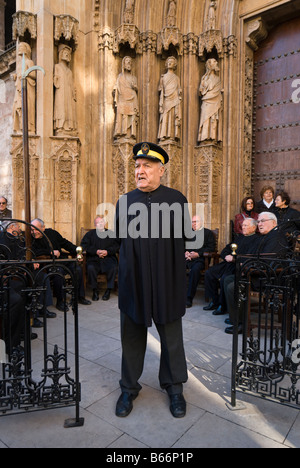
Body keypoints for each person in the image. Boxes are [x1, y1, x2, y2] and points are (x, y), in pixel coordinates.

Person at [115, 142, 191, 419]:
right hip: (133, 281)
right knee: (131, 337)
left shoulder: (176, 199)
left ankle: (174, 388)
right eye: (137, 166)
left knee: (171, 337)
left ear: (161, 170)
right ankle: (128, 388)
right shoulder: (124, 202)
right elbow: (118, 240)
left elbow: (184, 238)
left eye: (147, 166)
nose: (140, 171)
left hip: (166, 280)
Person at [224, 211, 289, 334]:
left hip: (270, 280)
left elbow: (267, 262)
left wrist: (247, 268)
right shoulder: (269, 235)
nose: (259, 224)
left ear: (273, 222)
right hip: (262, 274)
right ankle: (235, 318)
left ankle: (241, 324)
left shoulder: (276, 238)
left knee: (233, 287)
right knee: (228, 279)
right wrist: (246, 266)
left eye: (263, 221)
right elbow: (259, 257)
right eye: (258, 221)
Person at [31, 219, 91, 311]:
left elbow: (65, 243)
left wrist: (78, 251)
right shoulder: (30, 239)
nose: (34, 232)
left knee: (77, 269)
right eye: (32, 230)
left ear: (43, 228)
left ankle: (80, 296)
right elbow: (32, 252)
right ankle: (60, 301)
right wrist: (50, 252)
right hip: (48, 264)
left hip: (62, 259)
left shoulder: (52, 233)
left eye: (36, 229)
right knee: (58, 273)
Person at [203, 218, 260, 315]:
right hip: (227, 263)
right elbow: (227, 248)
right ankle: (214, 301)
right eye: (243, 225)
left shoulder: (257, 240)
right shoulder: (239, 237)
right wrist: (226, 255)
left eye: (246, 225)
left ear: (254, 228)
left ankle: (222, 306)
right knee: (209, 273)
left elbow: (251, 257)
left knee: (225, 278)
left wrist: (234, 259)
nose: (243, 227)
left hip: (238, 265)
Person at [80, 216, 119, 301]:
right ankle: (95, 291)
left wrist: (107, 252)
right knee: (90, 268)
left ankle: (108, 290)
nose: (100, 224)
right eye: (98, 223)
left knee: (113, 267)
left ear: (105, 224)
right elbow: (84, 246)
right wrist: (96, 251)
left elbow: (117, 246)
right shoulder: (89, 234)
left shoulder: (111, 234)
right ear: (95, 225)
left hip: (108, 258)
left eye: (102, 222)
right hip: (94, 259)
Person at [185, 215, 215, 308]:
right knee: (175, 267)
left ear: (201, 222)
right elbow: (182, 245)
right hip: (188, 259)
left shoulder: (208, 233)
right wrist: (185, 253)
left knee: (195, 270)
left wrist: (198, 254)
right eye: (193, 222)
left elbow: (211, 248)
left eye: (196, 221)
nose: (194, 224)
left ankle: (188, 298)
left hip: (201, 260)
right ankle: (176, 296)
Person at [113, 56, 139, 142]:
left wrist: (135, 87)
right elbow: (116, 86)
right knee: (122, 115)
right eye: (127, 62)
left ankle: (130, 134)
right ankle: (122, 133)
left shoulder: (133, 78)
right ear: (123, 64)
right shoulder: (120, 76)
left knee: (131, 116)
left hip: (132, 99)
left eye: (130, 62)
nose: (129, 63)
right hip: (122, 98)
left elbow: (136, 88)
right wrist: (115, 90)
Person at [12, 41, 36, 134]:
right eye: (19, 46)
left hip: (27, 89)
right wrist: (15, 76)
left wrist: (26, 75)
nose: (20, 48)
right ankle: (20, 128)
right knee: (17, 108)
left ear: (26, 49)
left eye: (22, 47)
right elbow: (19, 75)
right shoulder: (19, 65)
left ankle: (29, 128)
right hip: (19, 88)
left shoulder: (29, 62)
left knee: (26, 107)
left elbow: (33, 74)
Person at [54, 44, 77, 135]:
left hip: (68, 93)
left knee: (69, 110)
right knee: (61, 108)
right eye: (65, 53)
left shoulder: (69, 71)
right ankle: (60, 126)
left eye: (68, 53)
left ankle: (69, 127)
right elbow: (56, 81)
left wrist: (74, 94)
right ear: (61, 54)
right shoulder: (57, 67)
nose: (67, 55)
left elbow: (72, 84)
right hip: (61, 92)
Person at [158, 56, 182, 143]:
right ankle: (164, 135)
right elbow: (161, 90)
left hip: (174, 99)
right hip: (166, 99)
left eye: (171, 62)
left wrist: (179, 93)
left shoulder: (176, 78)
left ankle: (171, 135)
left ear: (175, 64)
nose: (169, 63)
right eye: (168, 62)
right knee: (165, 116)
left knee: (172, 116)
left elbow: (179, 89)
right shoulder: (163, 77)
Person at [198, 58, 222, 143]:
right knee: (206, 119)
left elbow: (218, 90)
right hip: (206, 102)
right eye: (214, 62)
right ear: (210, 65)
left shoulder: (217, 79)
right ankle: (204, 138)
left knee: (213, 119)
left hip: (215, 101)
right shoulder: (204, 78)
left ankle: (212, 137)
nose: (216, 63)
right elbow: (201, 91)